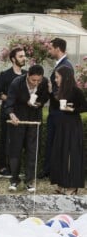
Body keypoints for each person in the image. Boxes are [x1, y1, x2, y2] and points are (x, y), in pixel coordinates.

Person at [4, 64, 49, 192]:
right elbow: (9, 103)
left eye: (38, 80)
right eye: (33, 80)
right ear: (28, 75)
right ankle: (14, 180)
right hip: (18, 119)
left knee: (32, 150)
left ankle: (29, 180)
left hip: (34, 119)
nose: (36, 83)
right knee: (15, 150)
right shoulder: (16, 83)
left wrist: (38, 103)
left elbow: (45, 97)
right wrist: (12, 115)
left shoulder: (44, 82)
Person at [49, 65, 87, 195]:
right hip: (62, 126)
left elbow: (84, 107)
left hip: (73, 126)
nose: (55, 79)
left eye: (57, 77)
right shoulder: (61, 91)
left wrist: (72, 109)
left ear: (64, 77)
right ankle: (61, 183)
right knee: (60, 152)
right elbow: (55, 106)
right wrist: (50, 93)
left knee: (72, 154)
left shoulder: (76, 91)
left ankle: (73, 186)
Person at [41, 37, 74, 179]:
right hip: (55, 111)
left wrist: (49, 91)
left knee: (55, 142)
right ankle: (49, 170)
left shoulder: (66, 66)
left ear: (58, 49)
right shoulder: (61, 64)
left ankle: (50, 171)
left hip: (59, 112)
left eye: (50, 48)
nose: (49, 50)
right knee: (52, 141)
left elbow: (64, 91)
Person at [0, 46, 26, 178]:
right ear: (13, 59)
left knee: (19, 141)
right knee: (5, 139)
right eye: (21, 56)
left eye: (24, 56)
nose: (24, 58)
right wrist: (9, 99)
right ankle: (3, 168)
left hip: (22, 113)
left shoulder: (26, 74)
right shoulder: (5, 75)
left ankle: (15, 168)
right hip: (7, 112)